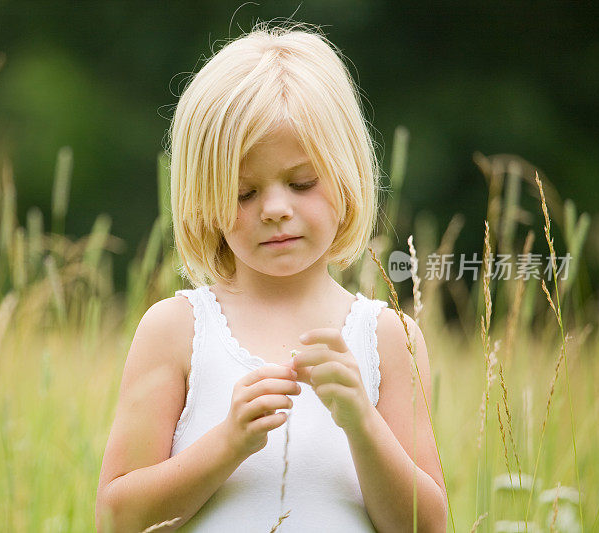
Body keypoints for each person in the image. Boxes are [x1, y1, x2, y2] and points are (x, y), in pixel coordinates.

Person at [95, 21, 447, 532]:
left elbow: (428, 526)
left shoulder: (389, 338)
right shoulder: (177, 330)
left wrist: (362, 424)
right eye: (244, 193)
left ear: (348, 180)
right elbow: (116, 519)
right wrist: (228, 443)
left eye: (302, 182)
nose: (276, 209)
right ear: (204, 200)